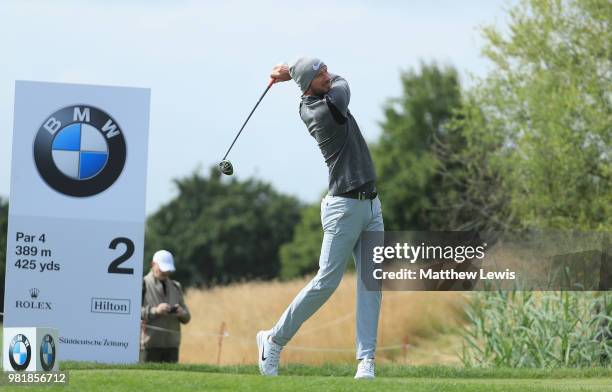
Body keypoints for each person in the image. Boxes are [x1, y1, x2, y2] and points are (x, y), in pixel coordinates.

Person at [257, 57, 384, 379]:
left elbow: (326, 79)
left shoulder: (317, 96)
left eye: (326, 69)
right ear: (307, 85)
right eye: (320, 74)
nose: (327, 75)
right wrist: (292, 73)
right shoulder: (325, 108)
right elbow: (344, 82)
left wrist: (294, 72)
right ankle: (273, 340)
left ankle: (365, 361)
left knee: (372, 284)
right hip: (344, 208)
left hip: (371, 205)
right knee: (326, 282)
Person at [141, 250, 191, 363]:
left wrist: (182, 313)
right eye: (162, 268)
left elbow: (187, 318)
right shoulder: (142, 284)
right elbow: (132, 313)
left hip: (172, 347)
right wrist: (155, 311)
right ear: (153, 265)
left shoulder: (176, 286)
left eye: (167, 269)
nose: (166, 272)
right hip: (149, 346)